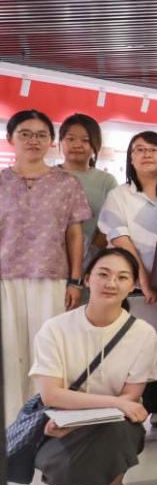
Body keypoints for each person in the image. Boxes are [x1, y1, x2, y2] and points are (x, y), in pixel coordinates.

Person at [29, 247, 157, 485]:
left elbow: (131, 396)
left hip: (113, 420)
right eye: (103, 274)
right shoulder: (55, 329)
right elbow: (51, 395)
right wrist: (112, 404)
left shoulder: (144, 334)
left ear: (133, 285)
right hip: (62, 416)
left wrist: (112, 408)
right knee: (58, 453)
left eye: (122, 277)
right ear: (87, 279)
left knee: (123, 430)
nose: (112, 283)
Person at [1, 110, 91, 419]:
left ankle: (46, 420)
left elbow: (75, 235)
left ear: (51, 142)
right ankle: (12, 424)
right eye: (25, 134)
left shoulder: (67, 183)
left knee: (49, 352)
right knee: (9, 353)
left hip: (52, 276)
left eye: (41, 135)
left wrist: (75, 280)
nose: (33, 140)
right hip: (5, 278)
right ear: (10, 138)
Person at [100, 131, 157, 432]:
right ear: (130, 158)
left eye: (153, 149)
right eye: (138, 149)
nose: (146, 154)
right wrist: (144, 279)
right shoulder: (118, 195)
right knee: (139, 347)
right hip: (135, 288)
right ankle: (144, 410)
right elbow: (120, 238)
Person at [58, 113, 117, 266]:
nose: (77, 145)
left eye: (85, 140)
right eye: (71, 139)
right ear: (61, 141)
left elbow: (111, 223)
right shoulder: (46, 176)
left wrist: (92, 254)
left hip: (89, 261)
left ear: (96, 145)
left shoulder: (107, 181)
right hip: (49, 260)